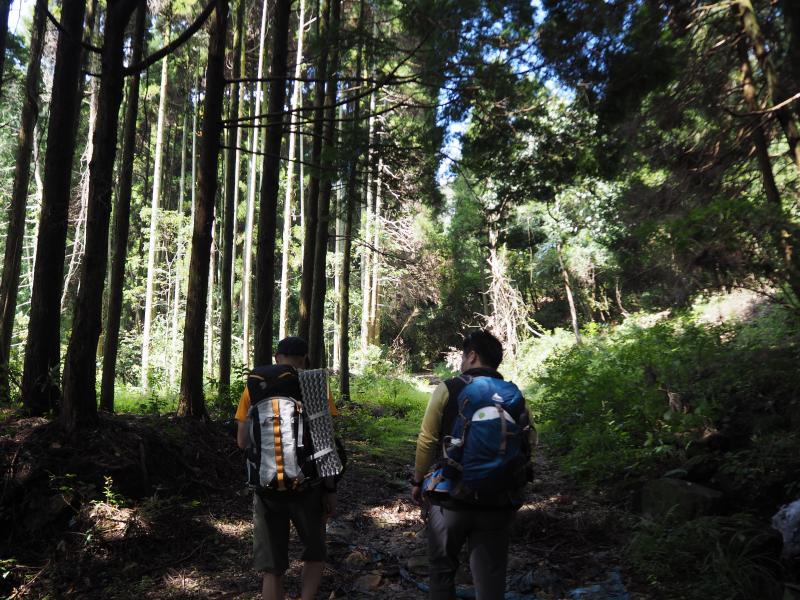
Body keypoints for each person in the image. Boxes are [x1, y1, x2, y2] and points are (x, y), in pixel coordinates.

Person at [411, 330, 536, 600]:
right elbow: (530, 441)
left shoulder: (448, 388)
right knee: (490, 576)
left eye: (462, 356)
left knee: (442, 571)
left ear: (472, 356)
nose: (460, 362)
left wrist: (418, 480)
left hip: (450, 496)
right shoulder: (514, 395)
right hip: (498, 499)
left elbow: (427, 439)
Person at [236, 336, 338, 600]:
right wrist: (330, 489)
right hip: (308, 487)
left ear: (276, 357)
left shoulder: (254, 386)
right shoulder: (314, 385)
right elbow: (325, 444)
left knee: (272, 567)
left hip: (266, 487)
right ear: (305, 358)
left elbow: (242, 441)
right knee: (314, 553)